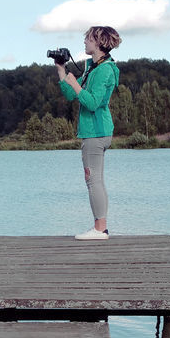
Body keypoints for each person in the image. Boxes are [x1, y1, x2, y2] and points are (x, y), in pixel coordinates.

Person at [56, 25, 121, 239]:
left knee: (92, 179)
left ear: (99, 43)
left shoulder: (104, 70)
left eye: (88, 39)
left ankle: (100, 229)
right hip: (92, 131)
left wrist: (75, 84)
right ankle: (101, 227)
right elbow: (71, 95)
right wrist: (61, 71)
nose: (84, 42)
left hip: (96, 132)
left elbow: (92, 103)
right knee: (96, 180)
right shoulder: (93, 67)